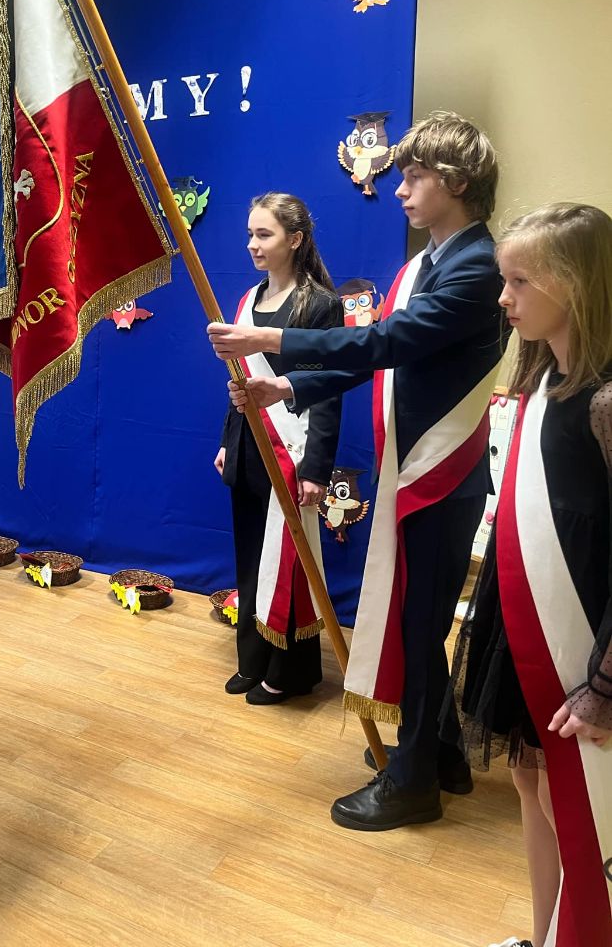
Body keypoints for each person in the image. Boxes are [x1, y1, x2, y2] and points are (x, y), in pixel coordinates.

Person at [209, 111, 505, 830]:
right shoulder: (430, 261)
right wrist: (289, 386)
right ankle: (440, 752)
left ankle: (413, 782)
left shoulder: (475, 266)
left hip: (442, 475)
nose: (399, 189)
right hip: (418, 470)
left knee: (418, 624)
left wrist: (275, 339)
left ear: (456, 181)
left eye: (414, 176)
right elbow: (379, 358)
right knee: (415, 620)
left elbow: (386, 341)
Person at [448, 203, 611, 947]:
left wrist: (604, 683)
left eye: (519, 281)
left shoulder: (605, 402)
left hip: (584, 640)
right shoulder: (545, 377)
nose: (503, 297)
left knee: (575, 806)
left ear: (574, 284)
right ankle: (542, 933)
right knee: (529, 781)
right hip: (525, 622)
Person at [214, 194, 342, 705]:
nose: (253, 244)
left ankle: (290, 671)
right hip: (249, 445)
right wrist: (228, 440)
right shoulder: (249, 300)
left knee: (289, 561)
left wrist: (315, 469)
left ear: (296, 239)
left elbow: (328, 389)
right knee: (252, 558)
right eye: (250, 234)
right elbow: (238, 380)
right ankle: (253, 659)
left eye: (264, 234)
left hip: (292, 450)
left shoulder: (320, 305)